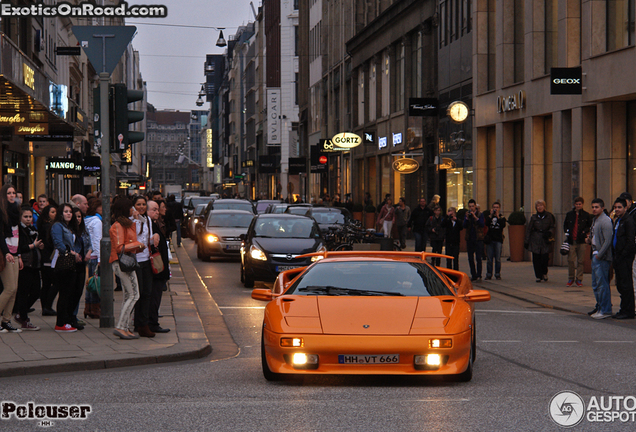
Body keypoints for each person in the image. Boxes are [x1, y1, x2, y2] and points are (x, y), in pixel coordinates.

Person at [109, 197, 143, 339]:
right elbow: (119, 247)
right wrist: (138, 245)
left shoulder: (127, 224)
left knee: (129, 295)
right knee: (134, 295)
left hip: (126, 261)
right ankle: (121, 327)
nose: (133, 210)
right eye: (131, 207)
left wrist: (136, 222)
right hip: (120, 262)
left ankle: (125, 327)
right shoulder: (118, 225)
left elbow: (134, 238)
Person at [50, 203, 87, 332]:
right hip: (63, 262)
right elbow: (59, 244)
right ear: (61, 213)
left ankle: (66, 320)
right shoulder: (57, 226)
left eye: (70, 212)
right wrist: (73, 253)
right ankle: (60, 323)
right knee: (65, 293)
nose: (69, 214)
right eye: (66, 212)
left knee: (71, 293)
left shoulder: (69, 227)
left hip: (72, 263)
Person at [131, 196, 155, 338]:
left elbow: (148, 238)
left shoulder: (148, 220)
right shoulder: (131, 221)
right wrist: (135, 220)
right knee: (137, 294)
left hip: (147, 259)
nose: (141, 207)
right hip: (135, 260)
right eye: (138, 204)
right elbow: (133, 237)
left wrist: (156, 237)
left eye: (143, 204)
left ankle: (142, 323)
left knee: (147, 292)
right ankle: (139, 323)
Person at [14, 207, 43, 330]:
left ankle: (21, 312)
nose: (28, 219)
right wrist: (33, 245)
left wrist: (39, 246)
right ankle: (24, 317)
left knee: (36, 291)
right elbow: (19, 247)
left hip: (35, 264)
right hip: (25, 264)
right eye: (25, 217)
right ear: (20, 217)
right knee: (24, 291)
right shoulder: (19, 230)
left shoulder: (32, 229)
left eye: (30, 217)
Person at [0, 185, 23, 333]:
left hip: (15, 253)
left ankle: (6, 321)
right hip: (5, 253)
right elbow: (0, 236)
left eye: (13, 193)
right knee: (9, 288)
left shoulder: (16, 211)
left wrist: (19, 255)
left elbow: (18, 235)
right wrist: (7, 252)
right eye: (9, 193)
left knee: (14, 290)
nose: (12, 195)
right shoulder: (1, 212)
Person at [587, 198, 614, 319]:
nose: (594, 209)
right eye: (593, 207)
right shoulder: (595, 220)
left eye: (596, 207)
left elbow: (608, 240)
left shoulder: (605, 221)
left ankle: (605, 309)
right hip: (595, 253)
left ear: (602, 208)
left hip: (601, 256)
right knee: (596, 284)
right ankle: (600, 307)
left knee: (602, 284)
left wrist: (600, 254)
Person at [148, 200, 171, 333]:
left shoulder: (154, 224)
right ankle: (152, 323)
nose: (157, 212)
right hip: (156, 268)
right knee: (154, 297)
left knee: (155, 296)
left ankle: (152, 321)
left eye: (158, 209)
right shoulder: (149, 225)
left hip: (159, 267)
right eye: (154, 210)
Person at [611, 198, 635, 319]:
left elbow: (630, 241)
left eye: (619, 207)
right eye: (615, 207)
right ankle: (623, 308)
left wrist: (623, 255)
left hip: (624, 258)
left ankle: (628, 310)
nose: (617, 209)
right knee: (620, 284)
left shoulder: (628, 221)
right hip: (617, 256)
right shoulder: (618, 221)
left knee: (626, 285)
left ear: (626, 208)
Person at [524, 200, 556, 283]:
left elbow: (552, 227)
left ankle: (544, 272)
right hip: (536, 239)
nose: (540, 207)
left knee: (545, 258)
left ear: (544, 206)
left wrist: (549, 232)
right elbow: (529, 229)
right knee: (536, 258)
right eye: (538, 206)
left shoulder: (549, 216)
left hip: (545, 239)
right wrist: (526, 241)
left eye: (541, 205)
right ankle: (538, 275)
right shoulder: (534, 217)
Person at [563, 197, 591, 287]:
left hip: (581, 240)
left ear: (582, 204)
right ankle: (571, 278)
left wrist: (584, 232)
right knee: (570, 260)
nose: (578, 206)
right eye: (577, 204)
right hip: (572, 240)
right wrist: (567, 233)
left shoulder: (586, 215)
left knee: (581, 261)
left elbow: (590, 226)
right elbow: (565, 224)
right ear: (574, 205)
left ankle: (579, 279)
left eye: (580, 204)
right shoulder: (569, 214)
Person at [37, 204, 57, 316]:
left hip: (46, 257)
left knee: (46, 283)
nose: (55, 214)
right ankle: (47, 306)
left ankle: (46, 306)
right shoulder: (47, 226)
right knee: (53, 282)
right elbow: (49, 243)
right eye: (52, 212)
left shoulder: (47, 225)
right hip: (48, 257)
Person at [484, 202, 507, 280]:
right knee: (489, 259)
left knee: (497, 258)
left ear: (499, 209)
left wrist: (497, 216)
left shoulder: (502, 217)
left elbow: (503, 225)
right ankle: (489, 274)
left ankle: (497, 274)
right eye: (494, 207)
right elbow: (486, 223)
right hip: (490, 240)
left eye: (497, 207)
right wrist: (491, 216)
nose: (495, 209)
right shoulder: (489, 217)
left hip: (498, 240)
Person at [463, 199, 485, 281]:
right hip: (470, 238)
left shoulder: (480, 214)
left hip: (478, 238)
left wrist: (475, 217)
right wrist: (467, 218)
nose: (471, 208)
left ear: (475, 206)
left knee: (478, 257)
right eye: (470, 206)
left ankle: (479, 275)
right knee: (470, 258)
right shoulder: (467, 215)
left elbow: (482, 224)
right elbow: (464, 225)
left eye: (472, 206)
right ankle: (473, 274)